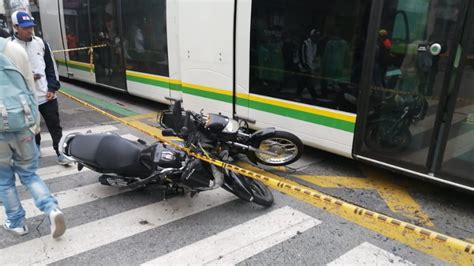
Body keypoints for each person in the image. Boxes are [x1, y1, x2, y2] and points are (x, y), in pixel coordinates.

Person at [0, 29, 66, 239]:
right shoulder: (14, 49)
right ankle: (51, 208)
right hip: (22, 121)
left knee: (5, 180)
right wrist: (34, 124)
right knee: (29, 174)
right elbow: (30, 87)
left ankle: (17, 222)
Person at [10, 10, 72, 165]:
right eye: (25, 27)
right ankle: (35, 149)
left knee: (55, 125)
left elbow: (51, 69)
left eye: (31, 26)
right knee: (32, 127)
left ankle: (60, 153)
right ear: (15, 27)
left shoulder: (41, 43)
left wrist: (52, 88)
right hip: (25, 98)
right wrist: (27, 77)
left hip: (46, 95)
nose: (30, 30)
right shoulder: (8, 47)